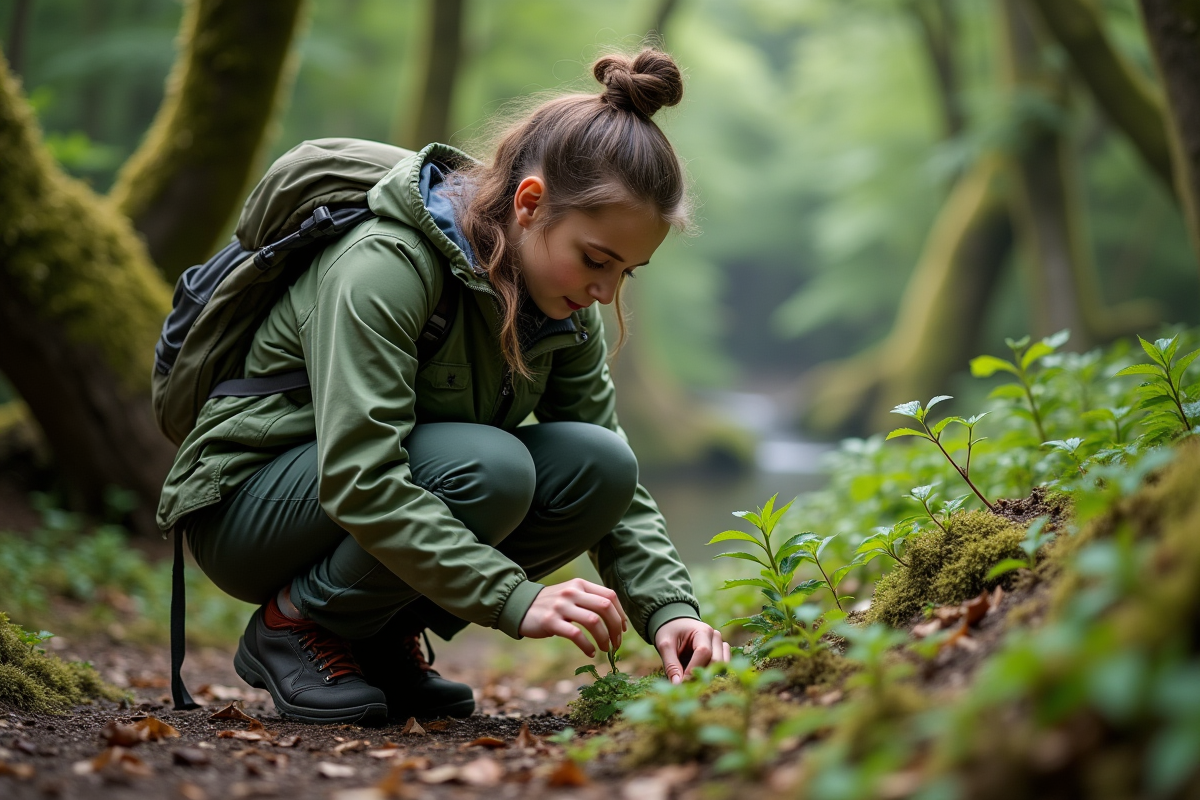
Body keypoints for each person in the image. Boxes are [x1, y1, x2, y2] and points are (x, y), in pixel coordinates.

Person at [156, 47, 730, 725]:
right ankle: (294, 626)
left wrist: (671, 609)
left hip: (372, 498)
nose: (605, 291)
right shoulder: (385, 266)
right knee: (491, 469)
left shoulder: (565, 308)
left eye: (628, 272)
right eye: (596, 259)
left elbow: (617, 484)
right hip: (250, 505)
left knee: (599, 466)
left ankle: (372, 632)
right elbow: (361, 477)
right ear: (530, 202)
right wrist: (516, 598)